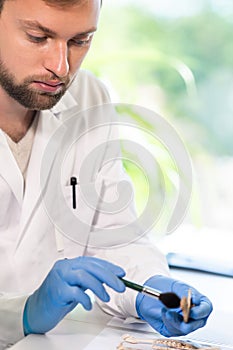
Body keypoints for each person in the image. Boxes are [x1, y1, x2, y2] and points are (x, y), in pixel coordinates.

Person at [0, 0, 212, 349]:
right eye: (38, 37)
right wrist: (22, 312)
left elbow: (112, 233)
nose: (60, 66)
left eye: (80, 40)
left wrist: (150, 287)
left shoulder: (88, 97)